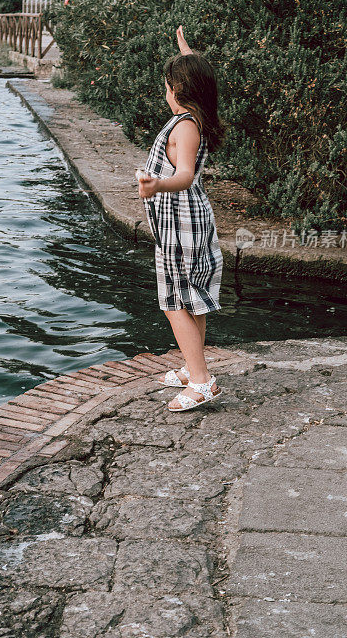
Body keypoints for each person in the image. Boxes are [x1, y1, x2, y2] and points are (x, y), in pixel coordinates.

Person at [138, 25, 227, 412]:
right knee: (190, 300)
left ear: (182, 91)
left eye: (170, 85)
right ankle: (194, 368)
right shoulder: (193, 117)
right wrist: (186, 53)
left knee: (174, 302)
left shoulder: (187, 126)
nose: (166, 92)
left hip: (181, 224)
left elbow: (186, 175)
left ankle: (203, 381)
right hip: (181, 223)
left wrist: (156, 185)